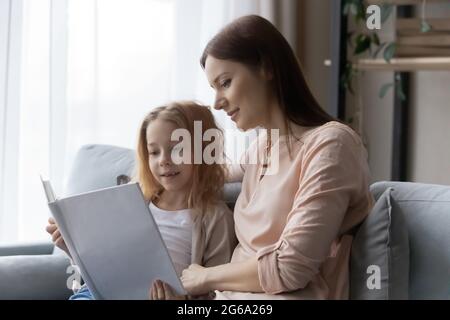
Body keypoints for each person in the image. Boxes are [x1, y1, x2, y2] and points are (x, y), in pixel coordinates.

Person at [179, 15, 374, 299]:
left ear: (267, 67)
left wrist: (205, 277)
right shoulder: (262, 146)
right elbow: (212, 175)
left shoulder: (331, 145)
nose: (217, 102)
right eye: (214, 89)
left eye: (225, 82)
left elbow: (289, 268)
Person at [46, 101, 237, 300]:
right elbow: (104, 267)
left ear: (202, 151)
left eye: (176, 149)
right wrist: (73, 249)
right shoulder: (134, 203)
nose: (163, 160)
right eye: (154, 152)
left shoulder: (217, 218)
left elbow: (217, 291)